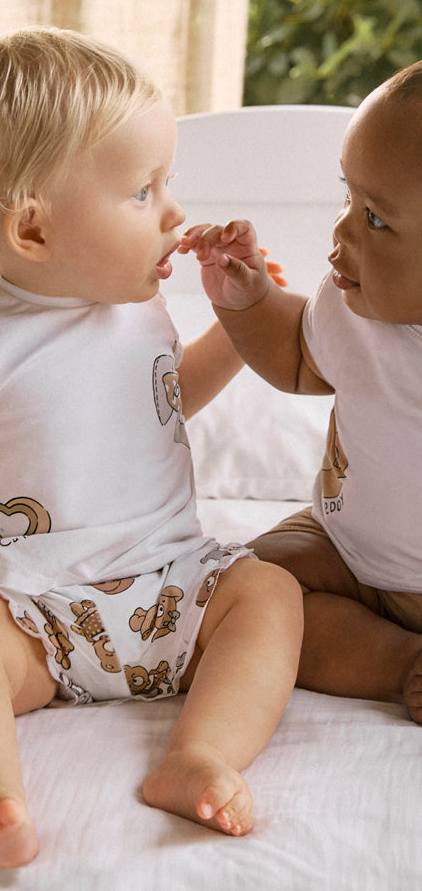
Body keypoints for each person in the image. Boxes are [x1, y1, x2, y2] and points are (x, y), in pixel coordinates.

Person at [0, 27, 303, 869]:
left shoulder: (138, 309)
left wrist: (235, 326)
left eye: (168, 184)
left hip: (168, 587)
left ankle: (202, 753)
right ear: (34, 230)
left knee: (269, 594)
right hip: (29, 610)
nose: (174, 212)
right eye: (141, 191)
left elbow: (162, 403)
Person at [179, 61, 422, 727]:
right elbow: (295, 358)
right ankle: (397, 662)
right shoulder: (355, 310)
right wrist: (250, 302)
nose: (341, 231)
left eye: (376, 220)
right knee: (242, 593)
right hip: (340, 548)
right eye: (348, 197)